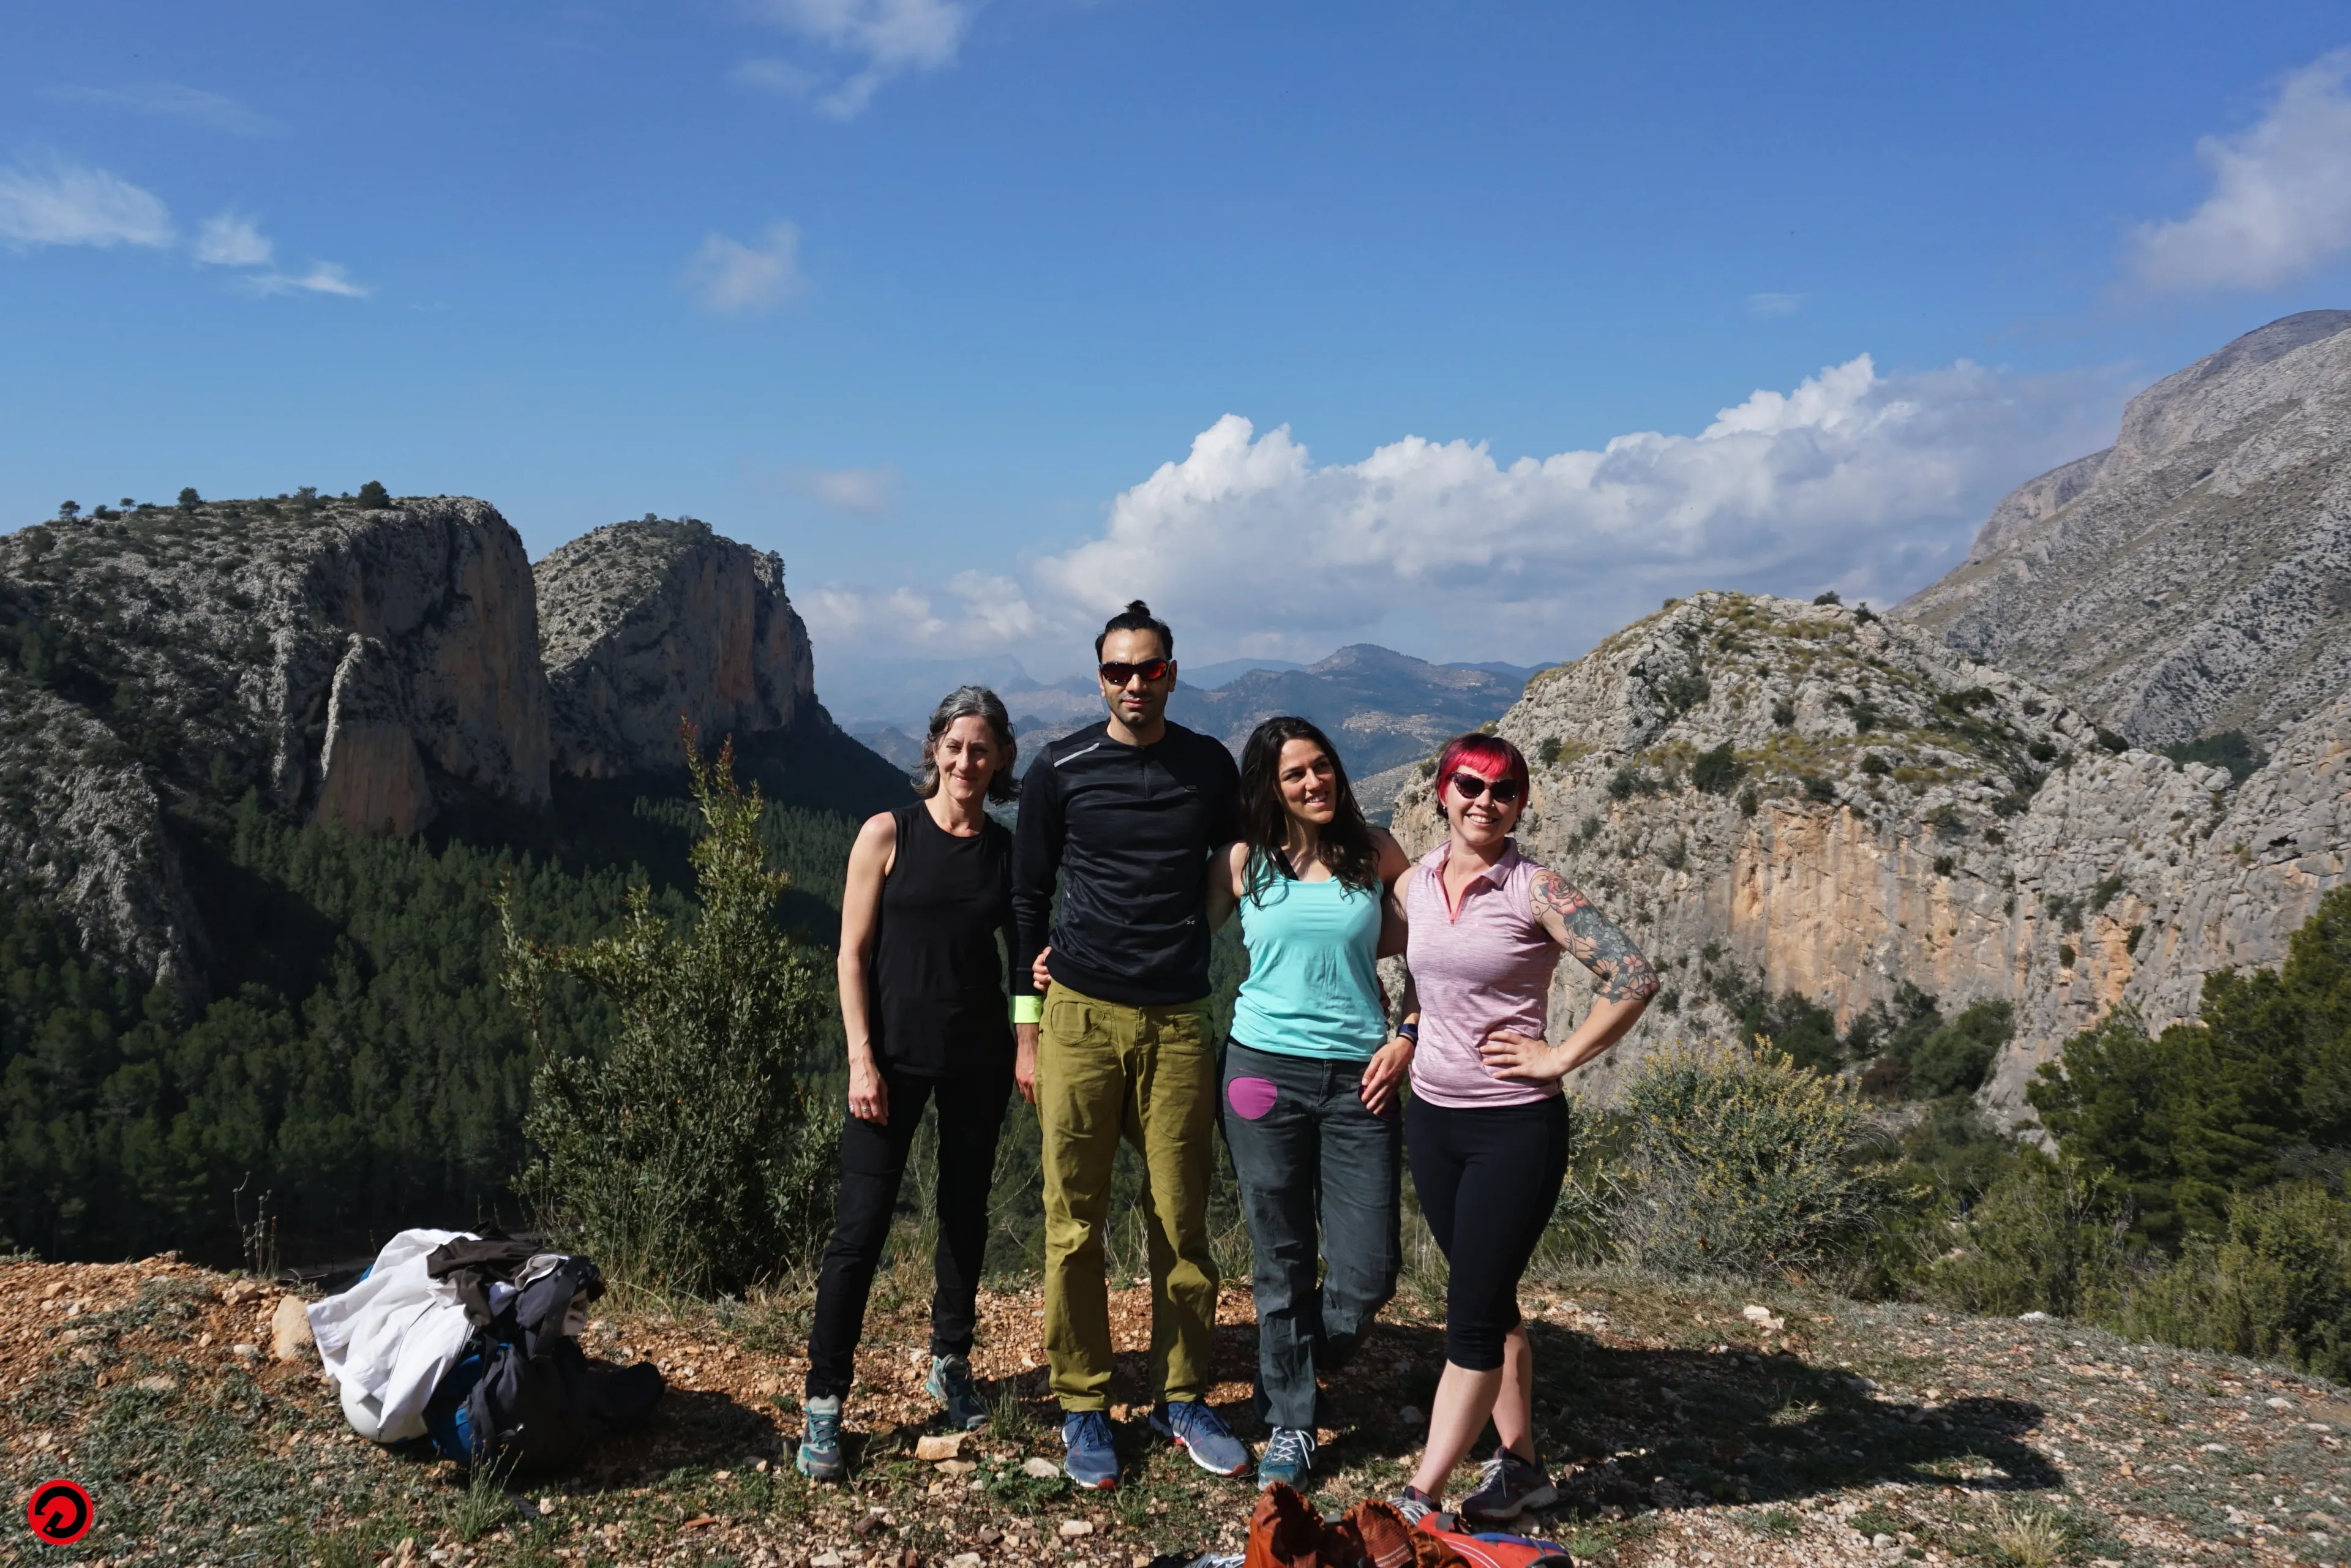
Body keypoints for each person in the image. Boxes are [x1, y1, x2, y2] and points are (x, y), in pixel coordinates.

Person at [1011, 599, 1252, 1489]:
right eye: (1118, 670)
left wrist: (1204, 931)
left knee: (1180, 1218)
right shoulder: (1060, 767)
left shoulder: (1207, 765)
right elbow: (1025, 898)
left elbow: (1232, 855)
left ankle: (1182, 1395)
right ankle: (1083, 1405)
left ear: (1173, 674)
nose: (1135, 684)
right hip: (1076, 1013)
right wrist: (1026, 1033)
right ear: (1100, 677)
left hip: (1180, 1019)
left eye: (1149, 669)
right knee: (1072, 1221)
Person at [1389, 733, 1659, 1527]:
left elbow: (1634, 973)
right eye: (1469, 785)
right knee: (1491, 1295)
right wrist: (1406, 1034)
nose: (1485, 801)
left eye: (1504, 790)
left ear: (1521, 804)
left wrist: (1561, 1056)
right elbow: (1419, 976)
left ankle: (1421, 1497)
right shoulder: (1415, 883)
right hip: (1433, 1121)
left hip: (1513, 1131)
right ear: (1442, 792)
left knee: (1468, 1314)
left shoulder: (1535, 889)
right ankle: (1524, 1469)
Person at [798, 686, 1021, 1482]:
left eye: (982, 750)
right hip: (888, 1065)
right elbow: (850, 956)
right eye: (956, 746)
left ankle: (950, 1362)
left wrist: (1028, 1044)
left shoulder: (1004, 852)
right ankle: (824, 1403)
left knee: (963, 1218)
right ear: (935, 751)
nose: (967, 761)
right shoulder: (886, 835)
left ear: (1000, 763)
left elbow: (1023, 970)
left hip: (978, 1062)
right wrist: (861, 1056)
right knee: (858, 1232)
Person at [1207, 716, 1414, 1490]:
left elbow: (1439, 940)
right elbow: (1170, 937)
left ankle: (1286, 1358)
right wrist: (1071, 958)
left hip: (1361, 1075)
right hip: (1261, 1070)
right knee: (1281, 1248)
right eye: (1294, 773)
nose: (1313, 782)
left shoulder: (1378, 850)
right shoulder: (1242, 862)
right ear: (1270, 786)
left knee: (1369, 1271)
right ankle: (1293, 1421)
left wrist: (1411, 1030)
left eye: (1321, 766)